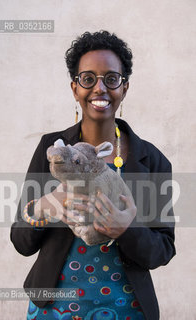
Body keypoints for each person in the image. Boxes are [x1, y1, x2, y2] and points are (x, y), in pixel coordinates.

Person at [10, 31, 176, 320]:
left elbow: (162, 250)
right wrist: (44, 207)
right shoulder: (52, 150)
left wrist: (128, 229)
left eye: (111, 79)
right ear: (75, 88)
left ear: (124, 88)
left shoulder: (153, 161)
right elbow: (21, 242)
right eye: (88, 79)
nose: (100, 88)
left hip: (127, 310)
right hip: (53, 309)